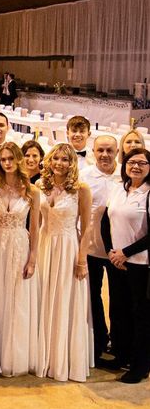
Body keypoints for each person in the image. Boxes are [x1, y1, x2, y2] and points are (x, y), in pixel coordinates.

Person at [36, 143, 93, 382]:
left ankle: (62, 359)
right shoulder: (40, 185)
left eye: (65, 160)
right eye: (55, 158)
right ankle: (42, 355)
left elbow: (87, 226)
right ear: (49, 160)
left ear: (72, 164)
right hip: (44, 244)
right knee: (43, 298)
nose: (59, 163)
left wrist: (82, 260)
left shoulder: (81, 189)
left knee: (63, 299)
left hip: (68, 246)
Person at [0, 142, 40, 376]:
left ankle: (16, 355)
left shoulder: (32, 190)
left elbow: (36, 228)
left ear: (19, 160)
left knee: (18, 299)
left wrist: (33, 258)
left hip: (21, 244)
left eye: (11, 158)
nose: (7, 163)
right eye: (3, 159)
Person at [104, 148, 150, 383]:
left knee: (140, 314)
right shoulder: (118, 188)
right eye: (132, 162)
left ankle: (141, 365)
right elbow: (106, 220)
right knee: (119, 310)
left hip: (141, 263)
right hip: (117, 261)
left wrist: (126, 253)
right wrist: (112, 252)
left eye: (142, 163)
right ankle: (121, 355)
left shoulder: (148, 193)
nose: (136, 166)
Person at [82, 135, 126, 369]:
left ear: (117, 151)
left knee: (119, 299)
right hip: (90, 247)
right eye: (100, 150)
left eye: (110, 150)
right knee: (93, 298)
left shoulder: (125, 177)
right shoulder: (85, 176)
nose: (105, 155)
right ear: (93, 151)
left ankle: (119, 345)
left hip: (118, 251)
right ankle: (99, 340)